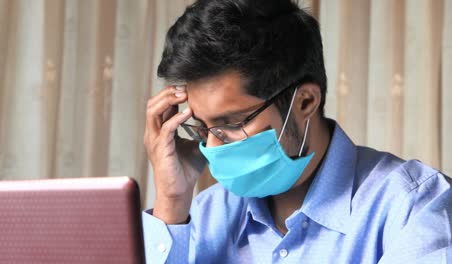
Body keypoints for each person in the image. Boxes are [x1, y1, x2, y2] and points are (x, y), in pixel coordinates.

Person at [142, 0, 452, 263]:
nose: (212, 146)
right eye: (203, 127)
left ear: (305, 102)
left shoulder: (414, 205)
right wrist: (172, 199)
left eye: (232, 124)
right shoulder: (203, 214)